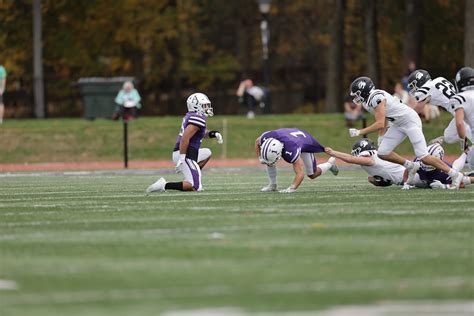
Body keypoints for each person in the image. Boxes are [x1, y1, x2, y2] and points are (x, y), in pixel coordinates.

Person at [347, 76, 464, 189]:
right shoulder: (368, 101)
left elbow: (379, 123)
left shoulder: (375, 97)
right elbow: (385, 117)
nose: (356, 97)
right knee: (382, 152)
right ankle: (411, 165)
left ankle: (454, 174)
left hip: (410, 121)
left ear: (364, 90)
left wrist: (359, 131)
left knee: (423, 156)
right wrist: (381, 136)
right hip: (398, 124)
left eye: (357, 94)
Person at [146, 92, 223, 193]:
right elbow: (185, 138)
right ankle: (164, 185)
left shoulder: (194, 116)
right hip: (185, 153)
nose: (207, 108)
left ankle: (190, 176)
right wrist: (182, 158)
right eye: (204, 105)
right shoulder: (197, 118)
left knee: (207, 153)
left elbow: (201, 133)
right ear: (196, 106)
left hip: (188, 152)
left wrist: (213, 134)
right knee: (195, 187)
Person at [255, 127, 338, 193]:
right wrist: (260, 157)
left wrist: (292, 188)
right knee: (269, 161)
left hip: (304, 140)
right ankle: (273, 185)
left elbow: (300, 173)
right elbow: (257, 142)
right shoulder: (265, 138)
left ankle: (330, 164)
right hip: (289, 136)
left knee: (312, 174)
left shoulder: (291, 150)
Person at [407, 69, 472, 144]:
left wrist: (406, 114)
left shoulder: (426, 88)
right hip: (463, 107)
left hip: (462, 112)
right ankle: (442, 140)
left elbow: (419, 108)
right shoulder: (440, 79)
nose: (413, 89)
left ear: (420, 81)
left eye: (413, 85)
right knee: (448, 137)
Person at [325, 138, 406, 187]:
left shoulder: (369, 160)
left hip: (410, 178)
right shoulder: (375, 155)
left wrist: (333, 153)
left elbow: (350, 158)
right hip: (407, 178)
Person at [450, 66, 474, 175]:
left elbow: (459, 123)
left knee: (470, 161)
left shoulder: (460, 97)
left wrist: (464, 144)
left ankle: (463, 178)